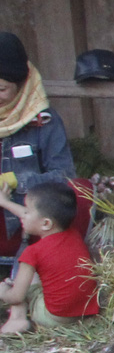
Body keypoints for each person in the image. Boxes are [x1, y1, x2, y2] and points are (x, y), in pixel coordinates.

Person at [0, 31, 76, 258]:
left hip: (23, 225)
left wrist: (17, 180)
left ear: (22, 86)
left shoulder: (45, 122)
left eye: (1, 89)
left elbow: (65, 176)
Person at [0, 180, 97, 335]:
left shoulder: (33, 252)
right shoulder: (73, 233)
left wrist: (4, 291)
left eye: (28, 212)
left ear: (45, 223)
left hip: (53, 317)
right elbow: (30, 216)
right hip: (85, 311)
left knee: (16, 284)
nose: (23, 215)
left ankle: (16, 320)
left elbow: (17, 297)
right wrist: (5, 202)